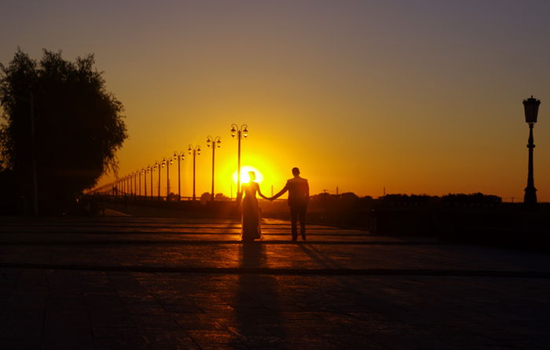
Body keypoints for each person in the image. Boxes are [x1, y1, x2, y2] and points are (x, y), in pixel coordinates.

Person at [270, 167, 309, 241]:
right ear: (299, 172)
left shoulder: (290, 181)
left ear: (293, 173)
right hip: (302, 203)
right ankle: (303, 233)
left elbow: (283, 191)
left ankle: (294, 236)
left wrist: (273, 198)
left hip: (293, 203)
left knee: (293, 220)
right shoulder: (304, 181)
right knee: (302, 219)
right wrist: (306, 202)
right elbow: (307, 193)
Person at [238, 171, 269, 242]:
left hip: (246, 201)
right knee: (253, 218)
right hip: (253, 202)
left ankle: (247, 235)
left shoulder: (244, 184)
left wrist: (238, 203)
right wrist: (268, 198)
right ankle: (253, 234)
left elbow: (241, 194)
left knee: (247, 218)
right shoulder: (256, 184)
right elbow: (260, 194)